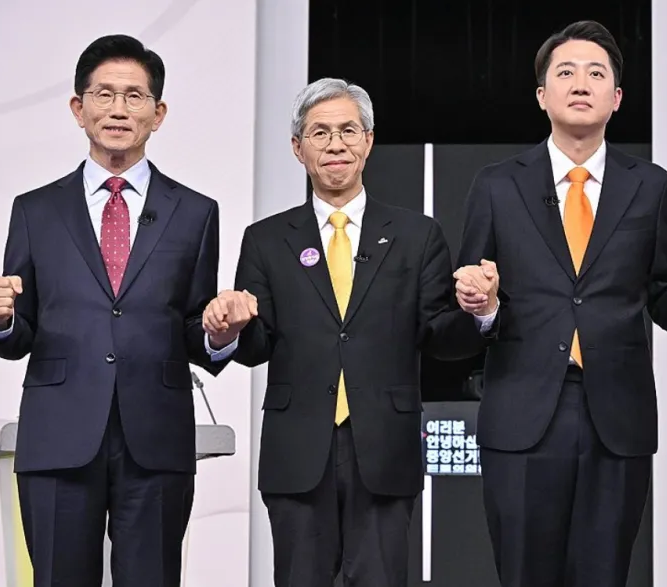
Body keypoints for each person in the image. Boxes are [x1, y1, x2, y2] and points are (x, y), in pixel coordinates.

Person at [452, 20, 667, 587]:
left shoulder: (651, 185)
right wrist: (481, 306)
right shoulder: (497, 185)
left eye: (596, 73)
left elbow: (664, 292)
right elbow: (474, 294)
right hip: (523, 411)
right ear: (542, 95)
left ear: (617, 98)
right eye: (565, 72)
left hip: (617, 415)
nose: (581, 83)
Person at [201, 77, 493, 587]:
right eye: (320, 133)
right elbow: (256, 344)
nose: (335, 144)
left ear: (368, 141)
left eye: (348, 131)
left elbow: (442, 337)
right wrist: (226, 331)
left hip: (385, 449)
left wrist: (480, 311)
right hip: (297, 452)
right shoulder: (266, 239)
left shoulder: (416, 235)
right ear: (298, 148)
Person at [0, 34, 231, 586]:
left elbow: (195, 328)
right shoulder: (35, 210)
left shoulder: (196, 212)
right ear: (79, 108)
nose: (118, 109)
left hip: (156, 439)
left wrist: (219, 334)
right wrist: (1, 320)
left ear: (158, 114)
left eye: (134, 96)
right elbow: (19, 332)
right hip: (58, 436)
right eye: (104, 94)